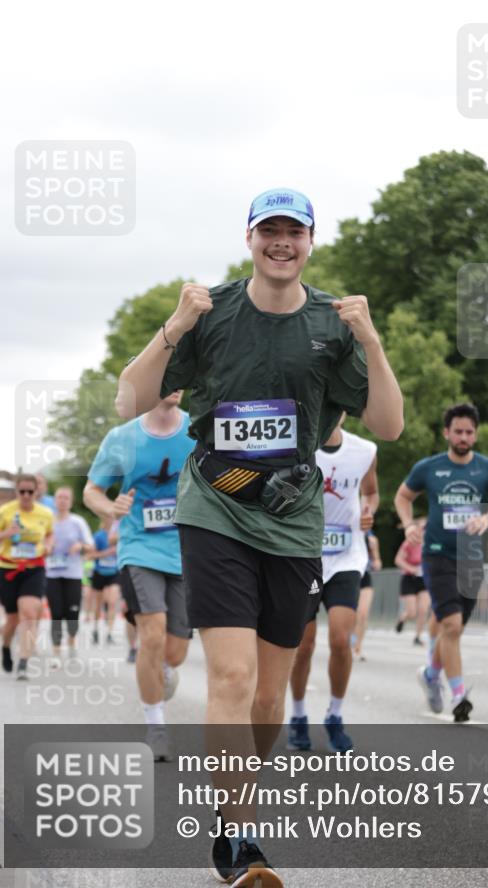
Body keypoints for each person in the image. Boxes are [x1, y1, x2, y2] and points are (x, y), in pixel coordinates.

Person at [117, 187, 403, 887]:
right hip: (213, 508)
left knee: (270, 699)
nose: (281, 243)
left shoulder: (335, 325)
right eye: (268, 230)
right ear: (249, 238)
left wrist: (369, 338)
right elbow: (128, 397)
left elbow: (389, 425)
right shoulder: (213, 312)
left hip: (293, 519)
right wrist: (174, 325)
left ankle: (237, 808)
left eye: (293, 232)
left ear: (310, 241)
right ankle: (239, 834)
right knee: (234, 677)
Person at [84, 391, 194, 760]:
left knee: (175, 652)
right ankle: (156, 726)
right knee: (151, 633)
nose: (174, 383)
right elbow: (92, 491)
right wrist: (110, 507)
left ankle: (162, 668)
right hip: (138, 548)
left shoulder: (198, 429)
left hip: (189, 551)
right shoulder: (122, 439)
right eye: (164, 376)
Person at [394, 402, 488, 722]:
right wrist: (408, 525)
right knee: (450, 624)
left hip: (472, 557)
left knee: (455, 630)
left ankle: (431, 675)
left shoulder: (487, 468)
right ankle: (459, 694)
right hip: (436, 554)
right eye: (458, 431)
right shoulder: (429, 468)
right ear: (446, 432)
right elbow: (402, 496)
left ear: (475, 435)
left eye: (469, 432)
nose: (463, 436)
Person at [288, 415, 378, 752]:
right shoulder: (298, 449)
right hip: (304, 558)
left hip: (346, 558)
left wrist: (370, 510)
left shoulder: (364, 449)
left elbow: (371, 492)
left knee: (341, 640)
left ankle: (335, 715)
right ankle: (297, 715)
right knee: (304, 645)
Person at [0, 474, 53, 679]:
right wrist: (6, 533)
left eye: (29, 492)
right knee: (12, 620)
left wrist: (48, 545)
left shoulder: (46, 514)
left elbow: (50, 533)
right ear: (16, 492)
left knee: (30, 612)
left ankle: (23, 661)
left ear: (36, 492)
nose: (25, 495)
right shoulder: (5, 511)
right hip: (8, 569)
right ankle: (6, 646)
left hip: (34, 569)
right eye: (21, 491)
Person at [45, 485, 95, 665]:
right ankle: (56, 653)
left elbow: (90, 545)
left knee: (72, 614)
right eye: (59, 497)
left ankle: (72, 643)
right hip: (52, 573)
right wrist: (47, 548)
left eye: (66, 498)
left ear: (71, 502)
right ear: (55, 500)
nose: (62, 501)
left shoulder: (78, 521)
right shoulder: (47, 521)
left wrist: (80, 546)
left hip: (73, 574)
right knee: (56, 613)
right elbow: (39, 543)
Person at [393, 517, 430, 645]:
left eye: (427, 527)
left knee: (423, 609)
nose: (424, 530)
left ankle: (418, 637)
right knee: (412, 612)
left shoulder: (431, 543)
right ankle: (402, 619)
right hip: (409, 578)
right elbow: (398, 560)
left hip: (424, 579)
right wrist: (412, 569)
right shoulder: (410, 543)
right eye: (423, 527)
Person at [91, 515, 121, 645]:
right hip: (99, 572)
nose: (111, 520)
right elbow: (91, 555)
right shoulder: (98, 536)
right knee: (98, 604)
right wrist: (107, 553)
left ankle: (109, 633)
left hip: (114, 572)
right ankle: (96, 629)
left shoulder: (120, 536)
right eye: (109, 518)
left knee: (113, 601)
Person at [353, 530, 382, 660]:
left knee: (363, 614)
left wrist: (376, 558)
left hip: (364, 575)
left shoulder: (368, 535)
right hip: (346, 576)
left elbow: (377, 562)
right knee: (350, 614)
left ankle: (357, 647)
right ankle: (348, 641)